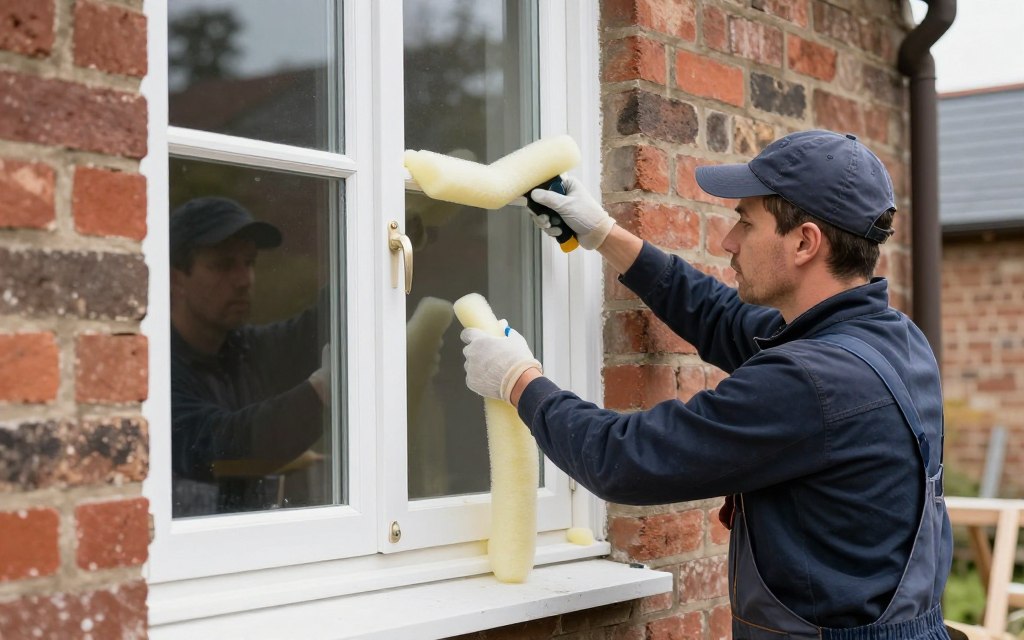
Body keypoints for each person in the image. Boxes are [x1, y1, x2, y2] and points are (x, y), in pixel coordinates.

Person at [460, 131, 953, 638]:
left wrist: (519, 379)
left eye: (745, 222)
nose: (728, 241)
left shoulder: (811, 382)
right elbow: (722, 319)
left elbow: (625, 460)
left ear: (805, 242)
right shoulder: (893, 340)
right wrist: (604, 233)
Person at [169, 197, 329, 517]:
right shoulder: (153, 368)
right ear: (176, 279)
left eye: (250, 262)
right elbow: (223, 446)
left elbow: (319, 324)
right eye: (223, 265)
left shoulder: (240, 349)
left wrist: (401, 235)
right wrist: (325, 390)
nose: (245, 280)